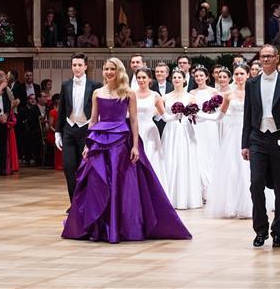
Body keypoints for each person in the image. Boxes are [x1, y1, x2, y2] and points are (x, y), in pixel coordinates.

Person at [61, 58, 190, 243]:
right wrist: (88, 144)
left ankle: (121, 225)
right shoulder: (98, 92)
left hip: (121, 140)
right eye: (106, 68)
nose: (108, 72)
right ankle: (99, 225)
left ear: (119, 71)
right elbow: (94, 119)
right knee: (97, 181)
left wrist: (136, 145)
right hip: (99, 140)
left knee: (121, 182)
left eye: (112, 69)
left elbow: (134, 120)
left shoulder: (129, 92)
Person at [242, 45, 280, 248]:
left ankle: (278, 231)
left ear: (276, 58)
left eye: (269, 56)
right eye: (262, 56)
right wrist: (245, 144)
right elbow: (248, 114)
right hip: (257, 138)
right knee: (256, 183)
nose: (265, 59)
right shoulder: (251, 83)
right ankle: (260, 229)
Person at [205, 64, 251, 219]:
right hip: (233, 134)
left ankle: (249, 205)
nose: (239, 77)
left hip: (248, 133)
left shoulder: (253, 92)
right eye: (236, 74)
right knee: (232, 168)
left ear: (248, 75)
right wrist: (202, 116)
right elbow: (219, 116)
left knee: (247, 169)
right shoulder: (228, 95)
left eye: (242, 73)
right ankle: (232, 205)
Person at [55, 53, 98, 201]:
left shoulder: (95, 86)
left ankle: (86, 201)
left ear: (85, 66)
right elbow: (62, 109)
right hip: (69, 129)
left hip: (86, 130)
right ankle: (74, 202)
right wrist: (57, 132)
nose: (77, 68)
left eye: (80, 65)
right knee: (68, 167)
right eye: (74, 65)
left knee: (85, 167)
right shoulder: (66, 85)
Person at [161, 69, 202, 210]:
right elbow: (160, 115)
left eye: (179, 77)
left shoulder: (190, 97)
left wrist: (190, 114)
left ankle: (185, 197)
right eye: (174, 77)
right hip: (171, 129)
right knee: (170, 158)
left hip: (185, 129)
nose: (177, 79)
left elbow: (195, 115)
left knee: (185, 158)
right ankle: (169, 197)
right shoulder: (165, 97)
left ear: (184, 80)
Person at [191, 65, 222, 199]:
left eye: (201, 76)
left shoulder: (214, 92)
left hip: (210, 124)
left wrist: (209, 113)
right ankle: (202, 190)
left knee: (211, 154)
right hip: (197, 125)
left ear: (207, 77)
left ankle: (213, 189)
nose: (199, 78)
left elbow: (219, 110)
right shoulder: (192, 93)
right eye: (196, 76)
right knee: (199, 155)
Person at [133, 68, 167, 190]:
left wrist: (178, 115)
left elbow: (164, 116)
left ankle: (153, 190)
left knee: (151, 160)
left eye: (144, 77)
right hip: (135, 131)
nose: (141, 80)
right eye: (139, 78)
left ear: (149, 79)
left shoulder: (155, 95)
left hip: (150, 132)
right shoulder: (131, 94)